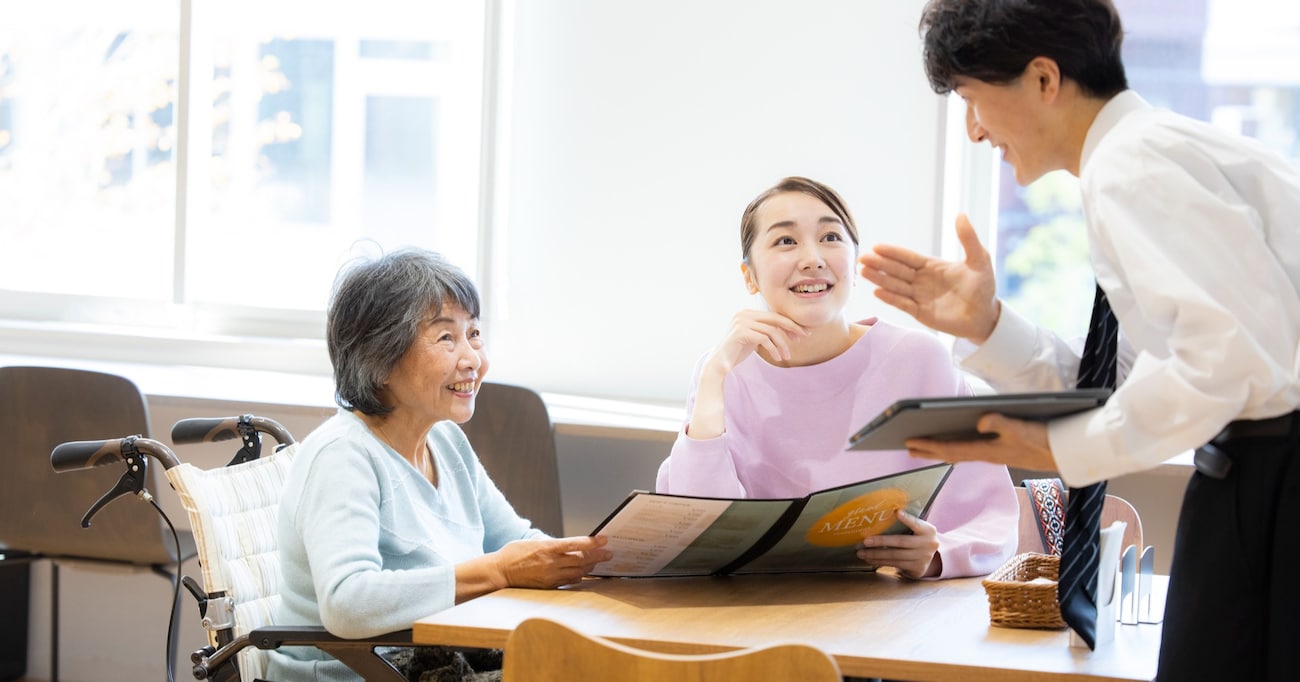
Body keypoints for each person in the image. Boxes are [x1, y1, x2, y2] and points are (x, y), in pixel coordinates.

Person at [857, 0, 1300, 678]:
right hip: (1257, 470)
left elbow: (1227, 362)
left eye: (972, 99)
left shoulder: (1136, 166)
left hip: (1276, 475)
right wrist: (988, 328)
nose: (973, 132)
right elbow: (1124, 383)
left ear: (1042, 79)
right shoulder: (1150, 154)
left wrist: (1060, 447)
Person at [266, 249, 611, 682]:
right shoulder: (342, 456)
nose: (472, 360)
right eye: (446, 338)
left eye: (474, 334)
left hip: (438, 660)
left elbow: (518, 541)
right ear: (380, 357)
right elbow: (347, 603)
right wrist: (498, 571)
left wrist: (600, 561)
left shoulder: (446, 440)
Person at [656, 176, 1017, 580]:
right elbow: (695, 529)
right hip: (754, 612)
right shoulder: (721, 372)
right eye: (785, 241)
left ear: (856, 264)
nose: (812, 257)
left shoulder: (920, 361)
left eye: (830, 236)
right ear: (749, 276)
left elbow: (992, 517)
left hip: (893, 614)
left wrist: (935, 554)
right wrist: (714, 378)